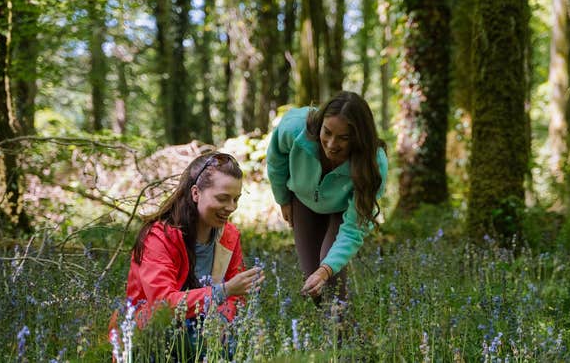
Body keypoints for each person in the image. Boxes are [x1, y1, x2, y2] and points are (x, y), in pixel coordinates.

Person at [113, 152, 264, 359]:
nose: (231, 207)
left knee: (247, 341)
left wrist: (222, 321)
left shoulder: (229, 236)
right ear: (196, 193)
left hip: (201, 324)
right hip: (151, 330)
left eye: (236, 199)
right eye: (222, 198)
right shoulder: (159, 237)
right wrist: (224, 291)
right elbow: (163, 304)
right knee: (195, 344)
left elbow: (236, 298)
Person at [266, 91, 388, 302]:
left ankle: (344, 332)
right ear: (319, 124)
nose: (332, 144)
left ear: (358, 138)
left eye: (344, 138)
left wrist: (326, 269)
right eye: (327, 132)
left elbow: (354, 227)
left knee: (329, 276)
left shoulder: (373, 164)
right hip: (303, 200)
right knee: (313, 284)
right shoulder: (294, 128)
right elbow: (276, 160)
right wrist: (283, 199)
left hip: (342, 208)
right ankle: (325, 332)